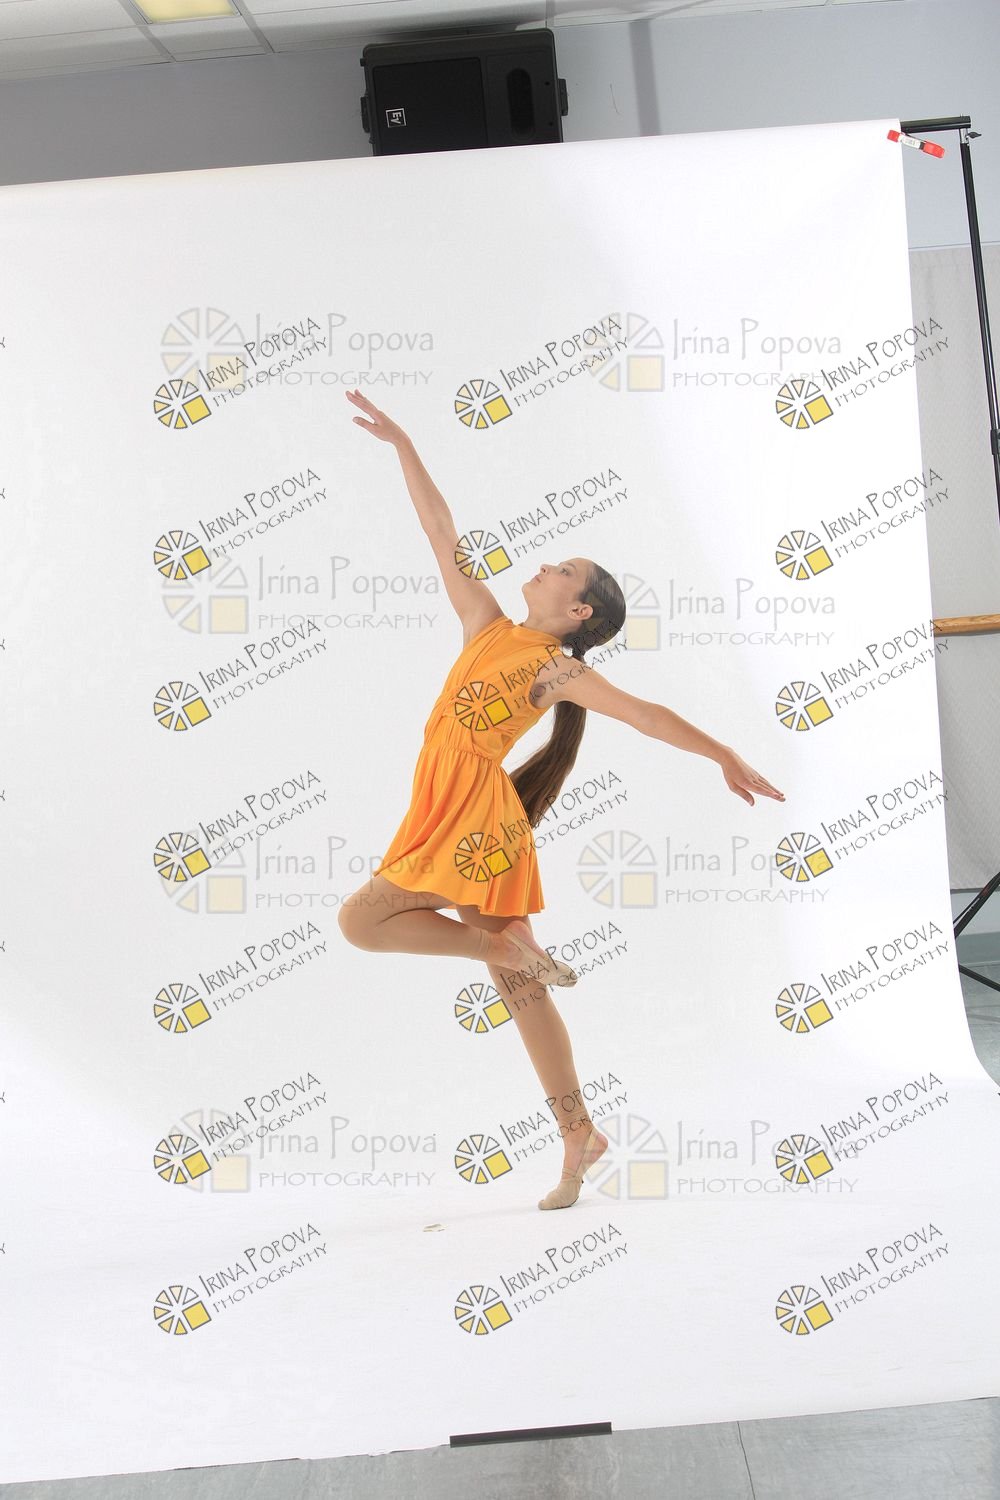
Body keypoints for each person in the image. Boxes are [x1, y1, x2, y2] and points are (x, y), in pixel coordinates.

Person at [337, 389, 784, 1210]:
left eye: (564, 571)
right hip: (453, 809)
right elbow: (440, 530)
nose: (544, 566)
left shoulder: (556, 669)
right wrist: (404, 444)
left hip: (478, 818)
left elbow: (645, 715)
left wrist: (722, 752)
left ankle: (507, 956)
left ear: (578, 612)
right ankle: (579, 1133)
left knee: (363, 922)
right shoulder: (485, 623)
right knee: (520, 987)